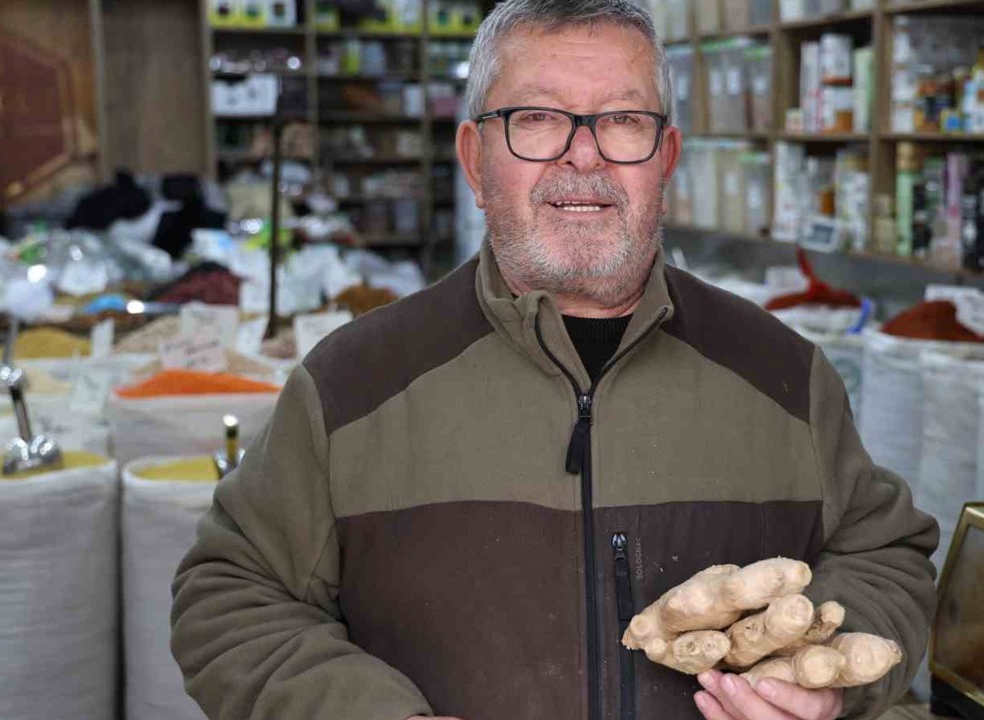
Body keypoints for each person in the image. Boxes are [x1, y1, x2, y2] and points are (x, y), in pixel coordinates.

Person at [170, 1, 939, 719]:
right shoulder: (353, 386)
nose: (583, 156)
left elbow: (885, 554)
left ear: (665, 157)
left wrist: (827, 677)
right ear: (475, 160)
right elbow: (231, 595)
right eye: (536, 120)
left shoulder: (782, 377)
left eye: (623, 121)